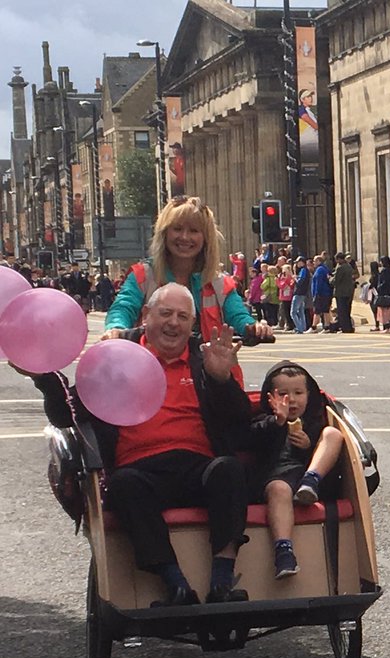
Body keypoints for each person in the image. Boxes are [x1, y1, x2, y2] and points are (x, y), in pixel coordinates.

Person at [27, 284, 252, 607]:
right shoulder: (117, 358)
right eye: (165, 314)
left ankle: (221, 581)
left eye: (182, 316)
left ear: (192, 324)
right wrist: (45, 379)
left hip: (197, 465)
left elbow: (239, 420)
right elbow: (68, 414)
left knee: (228, 470)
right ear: (146, 316)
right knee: (124, 485)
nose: (174, 323)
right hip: (140, 469)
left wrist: (221, 380)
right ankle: (175, 583)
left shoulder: (204, 359)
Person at [103, 196, 269, 343]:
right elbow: (123, 307)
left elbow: (238, 315)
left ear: (206, 238)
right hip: (151, 371)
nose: (184, 237)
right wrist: (116, 328)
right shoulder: (143, 275)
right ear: (165, 233)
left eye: (194, 231)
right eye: (177, 229)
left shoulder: (220, 282)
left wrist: (254, 327)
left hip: (206, 372)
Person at [249, 362, 345, 579]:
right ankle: (284, 551)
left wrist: (307, 447)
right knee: (279, 489)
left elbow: (332, 457)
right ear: (269, 397)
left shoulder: (313, 423)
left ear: (308, 396)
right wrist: (277, 422)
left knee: (332, 434)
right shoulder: (264, 421)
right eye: (282, 393)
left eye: (298, 393)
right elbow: (253, 443)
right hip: (276, 478)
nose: (291, 399)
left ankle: (310, 480)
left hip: (309, 478)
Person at [331, 252, 356, 333]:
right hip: (349, 292)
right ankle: (349, 327)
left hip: (341, 292)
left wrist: (329, 279)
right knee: (347, 310)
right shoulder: (348, 266)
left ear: (339, 259)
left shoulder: (340, 268)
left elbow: (335, 281)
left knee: (342, 311)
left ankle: (345, 328)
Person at [374, 256, 390, 332]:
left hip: (384, 292)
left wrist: (379, 288)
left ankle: (387, 327)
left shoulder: (384, 271)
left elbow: (384, 282)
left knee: (384, 311)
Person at [277, 263, 295, 332]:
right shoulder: (284, 277)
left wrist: (278, 280)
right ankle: (288, 325)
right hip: (284, 296)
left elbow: (282, 286)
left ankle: (290, 325)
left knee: (287, 312)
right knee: (286, 312)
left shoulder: (288, 278)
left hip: (287, 296)